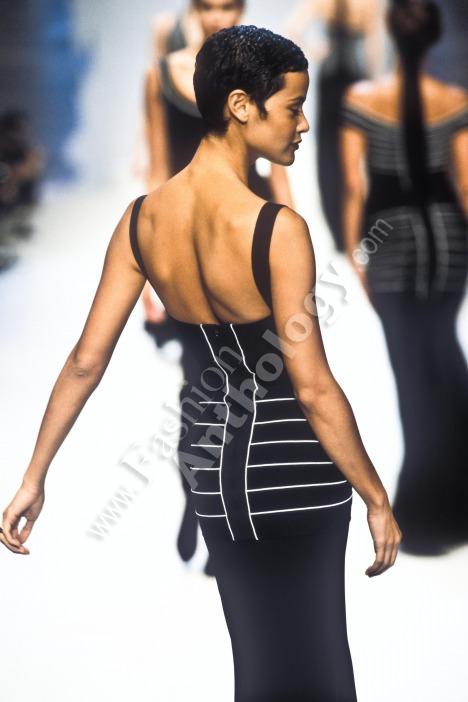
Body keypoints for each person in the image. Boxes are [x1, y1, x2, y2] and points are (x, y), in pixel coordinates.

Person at [1, 26, 401, 701]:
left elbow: (84, 363)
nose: (304, 124)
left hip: (212, 471)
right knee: (322, 667)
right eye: (293, 107)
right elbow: (312, 388)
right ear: (241, 105)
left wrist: (33, 477)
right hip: (295, 473)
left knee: (257, 667)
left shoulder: (142, 221)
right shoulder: (277, 228)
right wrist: (376, 496)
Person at [142, 0, 294, 575]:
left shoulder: (264, 73)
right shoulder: (163, 76)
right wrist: (146, 271)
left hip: (248, 237)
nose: (218, 16)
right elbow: (157, 169)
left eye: (228, 5)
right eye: (208, 5)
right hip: (184, 244)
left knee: (252, 388)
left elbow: (278, 166)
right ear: (193, 9)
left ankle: (229, 518)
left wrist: (294, 243)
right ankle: (198, 499)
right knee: (200, 391)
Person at [341, 0, 468, 555]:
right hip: (448, 241)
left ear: (391, 33)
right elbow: (465, 184)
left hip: (388, 244)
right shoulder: (454, 101)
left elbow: (354, 186)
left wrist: (355, 255)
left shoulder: (361, 99)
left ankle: (426, 508)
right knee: (444, 355)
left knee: (411, 370)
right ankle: (451, 501)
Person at [285, 0, 385, 251]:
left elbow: (292, 29)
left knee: (328, 153)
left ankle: (339, 232)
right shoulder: (370, 4)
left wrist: (316, 51)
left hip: (329, 78)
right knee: (360, 152)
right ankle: (360, 227)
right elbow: (373, 46)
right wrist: (374, 85)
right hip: (355, 80)